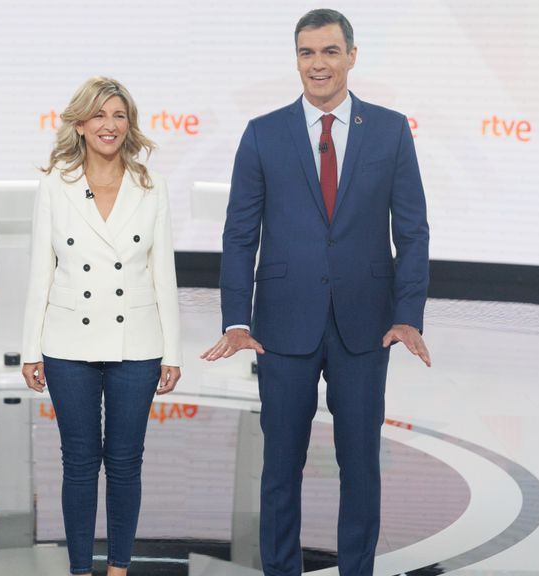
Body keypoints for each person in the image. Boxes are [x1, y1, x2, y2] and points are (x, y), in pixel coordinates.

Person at [201, 9, 431, 576]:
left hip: (365, 325)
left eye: (330, 51)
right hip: (283, 327)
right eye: (307, 53)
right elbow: (238, 234)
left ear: (352, 56)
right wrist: (236, 318)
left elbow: (413, 230)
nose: (318, 64)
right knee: (280, 469)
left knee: (361, 467)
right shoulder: (263, 133)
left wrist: (409, 313)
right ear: (296, 59)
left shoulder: (391, 129)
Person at [21, 77, 182, 576]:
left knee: (127, 462)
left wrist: (172, 351)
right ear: (81, 124)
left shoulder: (151, 187)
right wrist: (31, 348)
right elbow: (40, 272)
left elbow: (164, 276)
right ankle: (78, 568)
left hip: (138, 342)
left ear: (129, 124)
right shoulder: (55, 184)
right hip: (68, 342)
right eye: (99, 115)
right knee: (79, 463)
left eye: (118, 115)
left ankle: (118, 567)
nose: (109, 125)